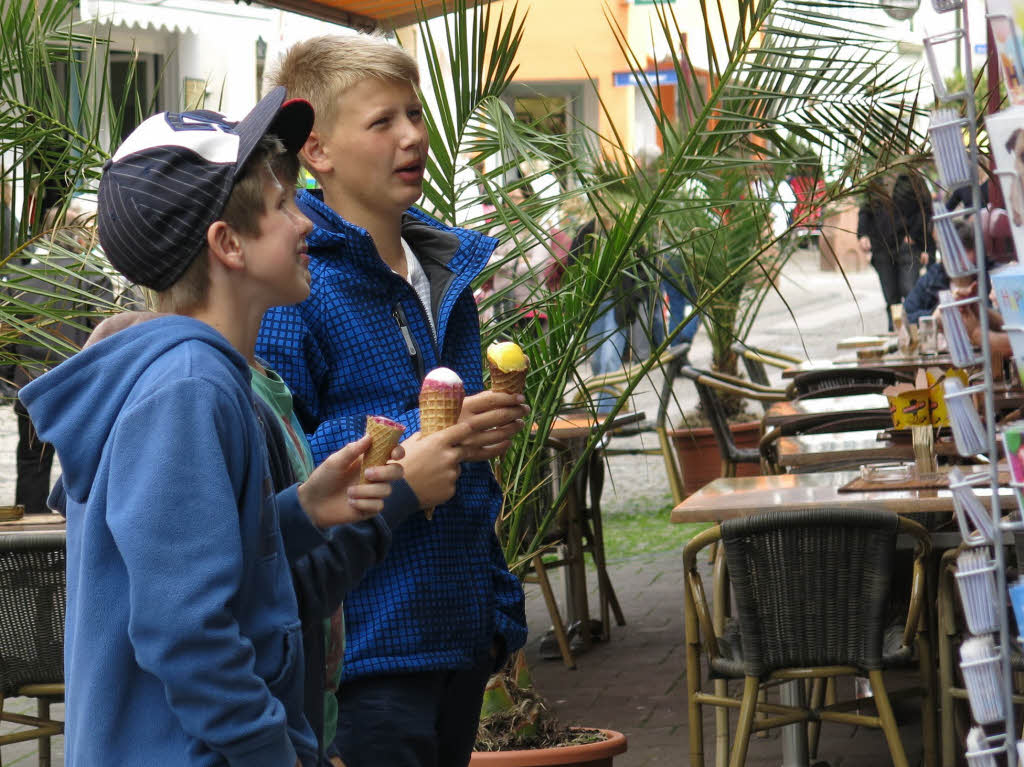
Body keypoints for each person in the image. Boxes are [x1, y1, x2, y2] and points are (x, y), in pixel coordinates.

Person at [19, 88, 409, 767]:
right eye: (284, 206)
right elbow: (186, 632)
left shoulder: (203, 377)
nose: (306, 224)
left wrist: (300, 510)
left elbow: (203, 559)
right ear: (227, 243)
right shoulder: (188, 390)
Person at [255, 34, 530, 767]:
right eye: (382, 122)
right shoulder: (296, 284)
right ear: (316, 151)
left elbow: (471, 477)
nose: (412, 135)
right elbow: (281, 463)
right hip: (367, 651)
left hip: (460, 631)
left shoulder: (445, 273)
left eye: (415, 113)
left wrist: (498, 608)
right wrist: (419, 437)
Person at [1, 199, 111, 514]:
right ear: (75, 235)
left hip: (32, 387)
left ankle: (30, 527)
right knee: (82, 462)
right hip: (76, 389)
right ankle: (76, 527)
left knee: (31, 463)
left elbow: (6, 335)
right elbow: (103, 331)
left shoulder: (17, 276)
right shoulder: (90, 275)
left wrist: (12, 380)